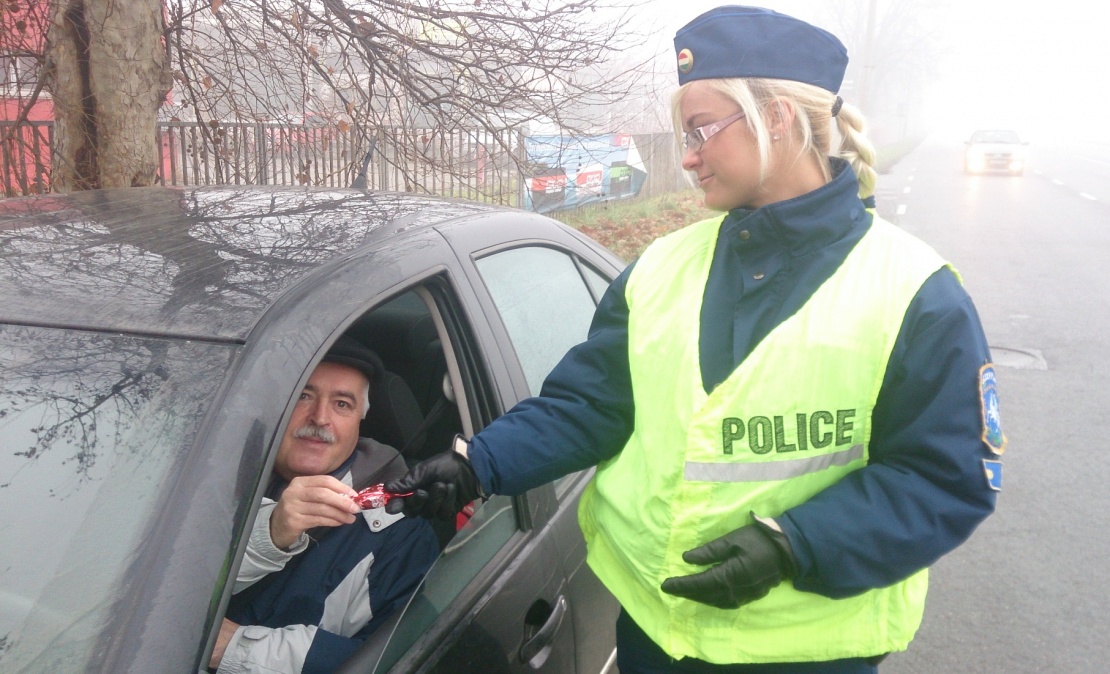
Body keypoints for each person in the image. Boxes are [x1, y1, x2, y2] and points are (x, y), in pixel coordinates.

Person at [387, 5, 1006, 673]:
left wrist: (795, 545)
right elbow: (590, 405)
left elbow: (946, 477)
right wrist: (478, 463)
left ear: (777, 118)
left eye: (701, 129)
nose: (686, 156)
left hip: (806, 654)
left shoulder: (915, 293)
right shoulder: (659, 269)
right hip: (653, 634)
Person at [211, 337, 440, 674]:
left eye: (342, 404)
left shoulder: (400, 530)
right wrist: (269, 534)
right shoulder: (208, 479)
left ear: (361, 421)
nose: (319, 418)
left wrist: (234, 648)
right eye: (303, 396)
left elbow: (408, 656)